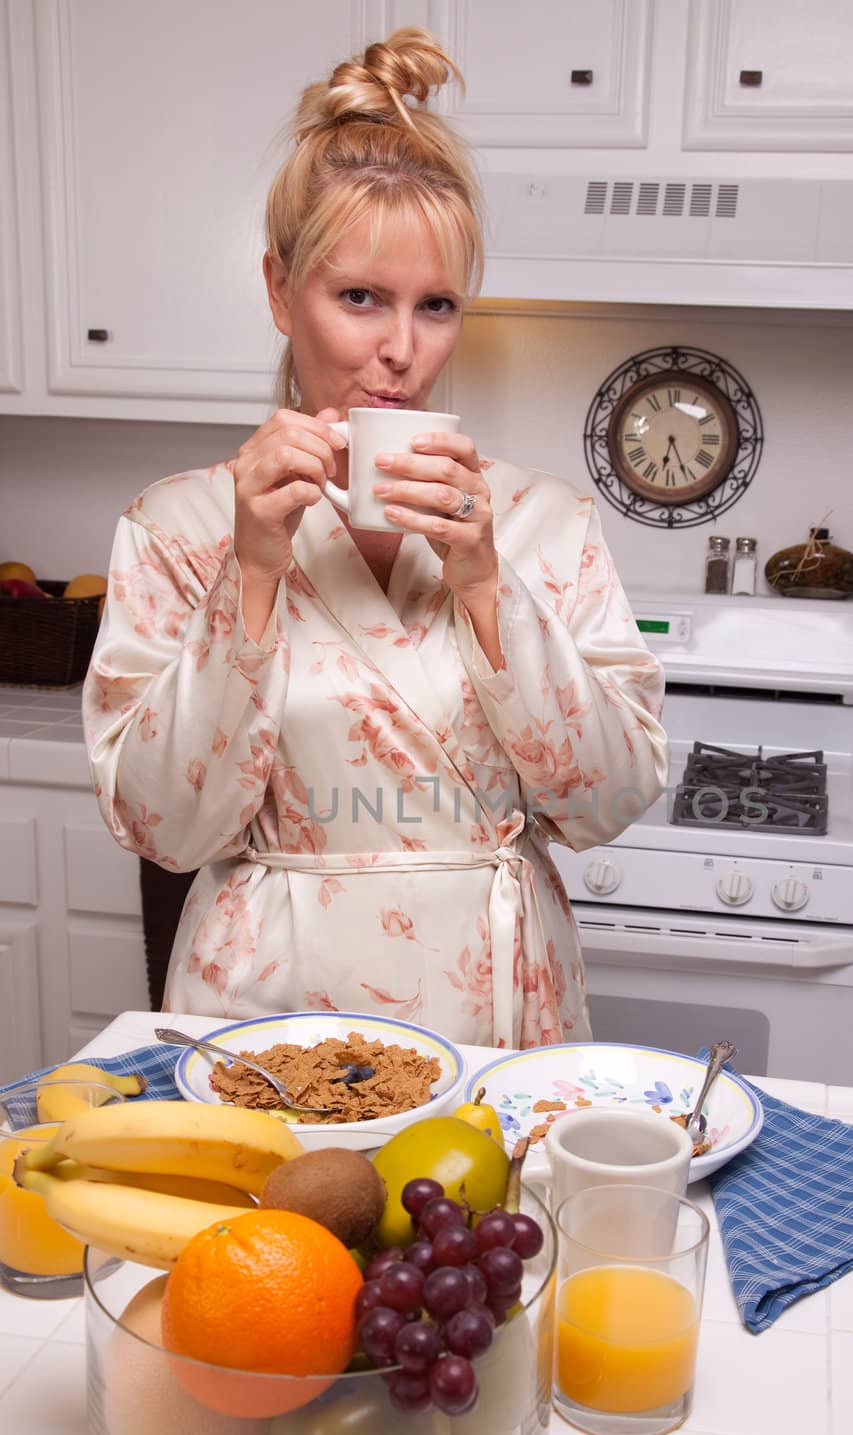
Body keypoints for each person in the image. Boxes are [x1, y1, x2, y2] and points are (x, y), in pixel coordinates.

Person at [83, 29, 669, 1051]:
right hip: (271, 1015)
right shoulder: (176, 528)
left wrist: (486, 585)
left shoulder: (542, 525)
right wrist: (251, 574)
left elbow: (607, 803)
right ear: (279, 292)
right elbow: (164, 831)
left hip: (498, 1015)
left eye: (434, 306)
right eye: (359, 298)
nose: (401, 350)